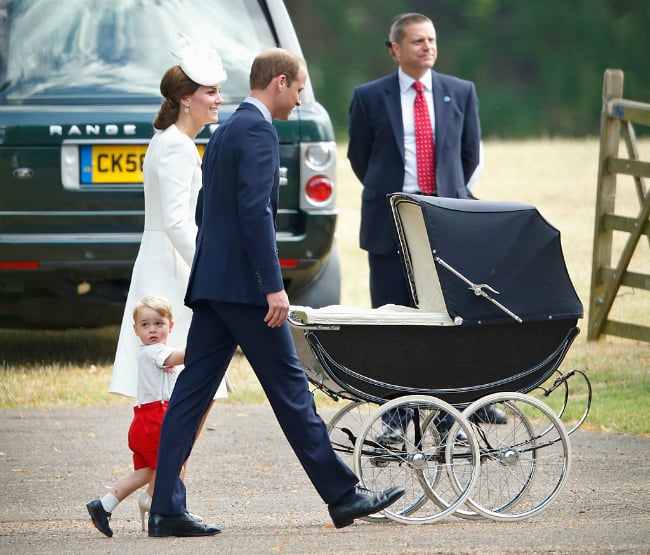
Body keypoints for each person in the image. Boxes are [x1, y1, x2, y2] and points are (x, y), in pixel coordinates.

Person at [147, 48, 405, 538]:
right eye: (300, 90)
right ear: (280, 82)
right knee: (290, 391)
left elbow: (207, 210)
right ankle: (343, 495)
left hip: (215, 286)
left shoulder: (224, 131)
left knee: (190, 394)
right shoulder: (259, 130)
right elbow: (255, 214)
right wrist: (272, 287)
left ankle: (165, 508)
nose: (301, 101)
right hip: (246, 291)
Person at [347, 13, 504, 438]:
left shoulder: (460, 92)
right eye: (417, 41)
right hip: (391, 223)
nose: (427, 47)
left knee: (453, 317)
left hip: (445, 222)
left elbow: (468, 157)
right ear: (395, 49)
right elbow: (361, 159)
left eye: (432, 40)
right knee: (394, 322)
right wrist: (396, 196)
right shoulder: (368, 97)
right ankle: (396, 420)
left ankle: (462, 404)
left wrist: (444, 197)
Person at [108, 36, 231, 493]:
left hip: (161, 263)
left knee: (185, 390)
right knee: (194, 387)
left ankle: (166, 489)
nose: (219, 100)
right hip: (173, 270)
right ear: (186, 100)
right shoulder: (177, 147)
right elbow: (180, 223)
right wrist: (210, 271)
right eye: (211, 92)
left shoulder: (166, 140)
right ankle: (166, 492)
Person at [87, 296, 185, 537]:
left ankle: (104, 505)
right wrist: (205, 344)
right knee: (174, 464)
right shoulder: (153, 352)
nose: (152, 329)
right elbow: (179, 357)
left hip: (143, 420)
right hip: (154, 420)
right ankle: (170, 511)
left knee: (145, 473)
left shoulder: (155, 351)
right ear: (136, 330)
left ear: (170, 326)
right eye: (145, 325)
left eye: (159, 323)